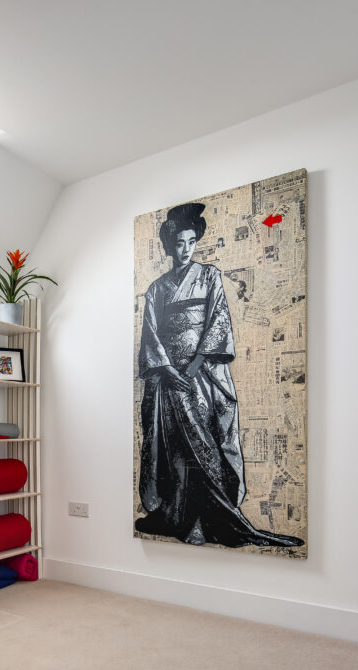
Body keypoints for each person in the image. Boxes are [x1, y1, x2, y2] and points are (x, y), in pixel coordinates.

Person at [135, 202, 303, 548]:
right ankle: (182, 518)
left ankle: (211, 519)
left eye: (191, 242)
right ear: (169, 245)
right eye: (179, 243)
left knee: (207, 443)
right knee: (177, 451)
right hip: (168, 379)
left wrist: (196, 364)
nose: (185, 249)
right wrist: (168, 369)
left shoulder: (209, 275)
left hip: (202, 375)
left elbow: (218, 320)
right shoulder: (157, 289)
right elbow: (150, 333)